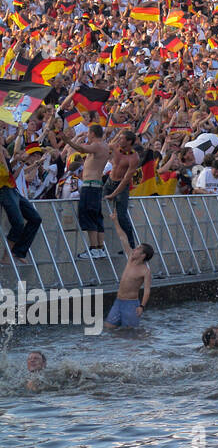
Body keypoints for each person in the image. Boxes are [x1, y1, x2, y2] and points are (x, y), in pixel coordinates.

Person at [103, 207, 153, 330]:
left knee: (129, 333)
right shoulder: (130, 258)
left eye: (137, 249)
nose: (134, 250)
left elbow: (147, 291)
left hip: (131, 304)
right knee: (109, 327)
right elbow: (123, 238)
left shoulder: (145, 271)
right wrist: (115, 221)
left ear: (143, 255)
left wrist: (141, 306)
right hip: (119, 301)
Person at [66, 122, 109, 259]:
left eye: (88, 132)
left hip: (90, 186)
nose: (87, 135)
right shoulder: (104, 145)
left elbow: (81, 149)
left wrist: (67, 141)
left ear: (93, 134)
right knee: (96, 217)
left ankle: (94, 249)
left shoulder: (97, 145)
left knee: (90, 216)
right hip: (95, 186)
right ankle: (99, 248)